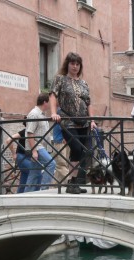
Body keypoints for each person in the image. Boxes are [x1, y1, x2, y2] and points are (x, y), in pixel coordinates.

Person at [49, 52, 96, 194]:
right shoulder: (60, 80)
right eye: (72, 63)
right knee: (75, 147)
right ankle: (71, 182)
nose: (75, 66)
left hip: (84, 122)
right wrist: (53, 113)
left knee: (81, 152)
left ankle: (73, 182)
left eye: (77, 64)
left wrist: (92, 120)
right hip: (68, 120)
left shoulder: (84, 83)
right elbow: (52, 95)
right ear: (67, 64)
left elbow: (88, 103)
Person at [24, 93, 57, 192]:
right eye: (49, 103)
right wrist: (34, 151)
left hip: (40, 146)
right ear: (45, 102)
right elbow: (30, 132)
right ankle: (44, 190)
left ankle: (27, 195)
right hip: (36, 147)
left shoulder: (42, 115)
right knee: (51, 163)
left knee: (34, 174)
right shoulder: (34, 114)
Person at [5, 117, 37, 193]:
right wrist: (13, 153)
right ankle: (32, 192)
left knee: (24, 178)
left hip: (26, 157)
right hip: (22, 157)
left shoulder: (32, 132)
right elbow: (8, 140)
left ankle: (19, 195)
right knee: (35, 171)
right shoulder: (24, 132)